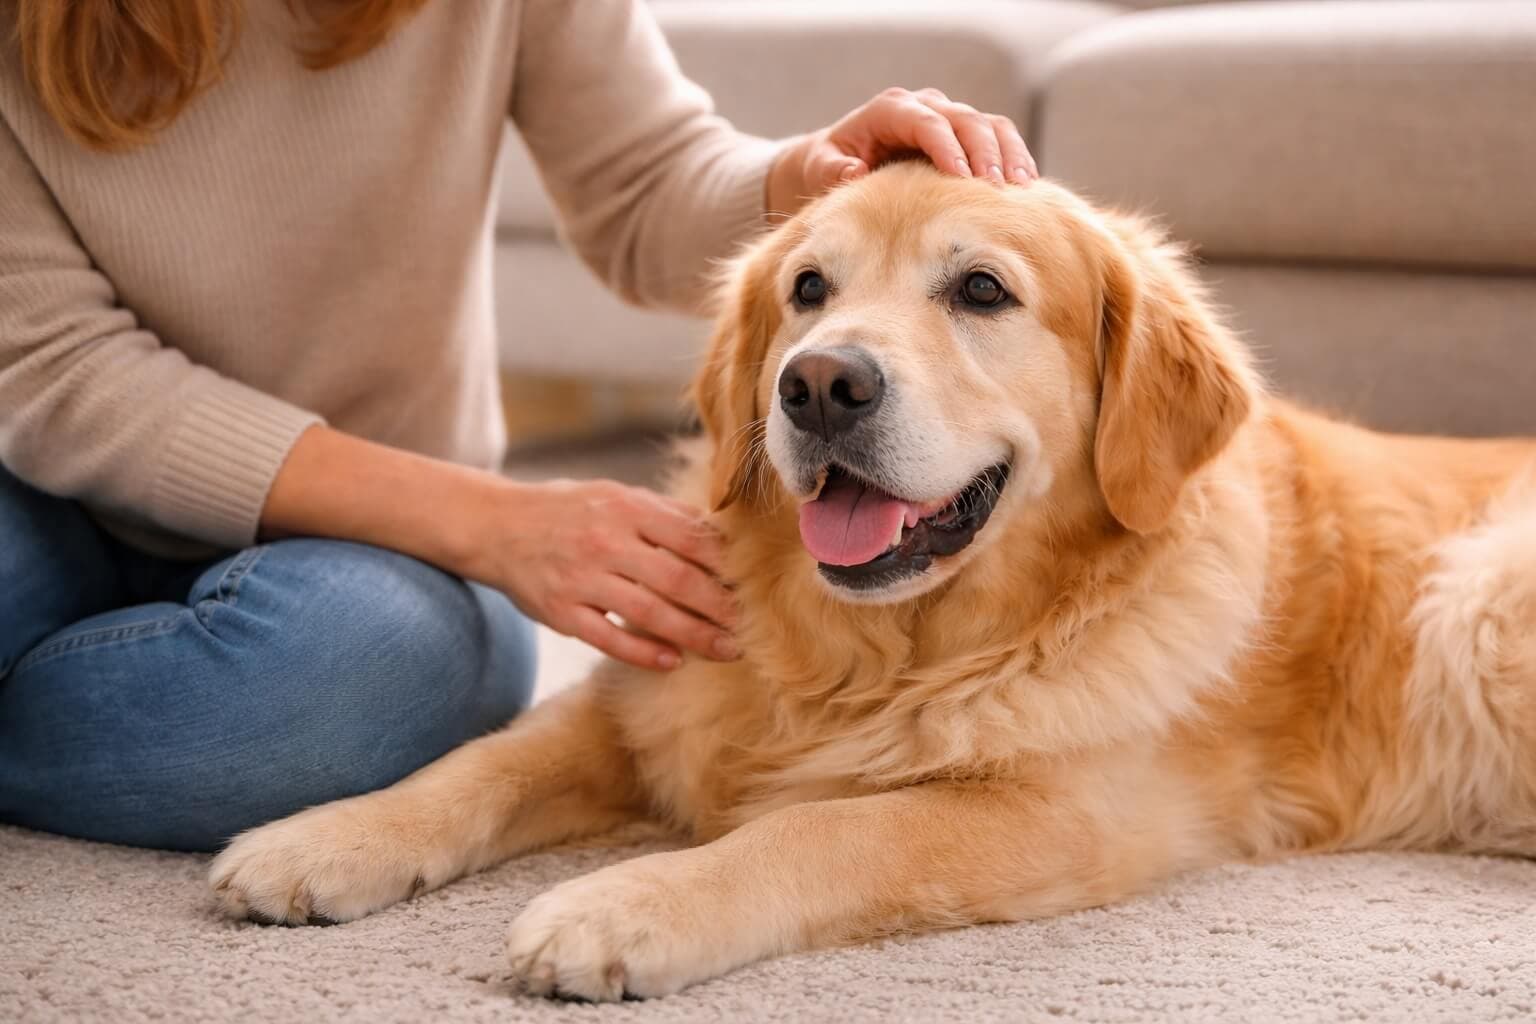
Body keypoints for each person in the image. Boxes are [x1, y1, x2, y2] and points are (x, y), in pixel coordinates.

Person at [0, 0, 1037, 852]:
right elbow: (53, 366)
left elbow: (646, 183)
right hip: (42, 492)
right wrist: (498, 522)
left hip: (370, 545)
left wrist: (801, 179)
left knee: (377, 676)